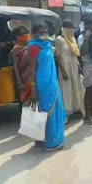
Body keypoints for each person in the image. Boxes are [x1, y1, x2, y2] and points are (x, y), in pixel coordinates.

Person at [26, 23, 65, 151]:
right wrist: (32, 88)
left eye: (45, 32)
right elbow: (31, 69)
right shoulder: (33, 47)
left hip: (52, 82)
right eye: (40, 32)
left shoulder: (48, 44)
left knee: (51, 109)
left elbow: (57, 55)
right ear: (34, 34)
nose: (43, 34)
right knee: (46, 111)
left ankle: (42, 138)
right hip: (42, 83)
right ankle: (51, 142)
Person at [55, 20, 85, 121]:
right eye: (72, 27)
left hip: (74, 67)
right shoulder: (59, 40)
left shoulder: (72, 39)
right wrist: (63, 71)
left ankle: (75, 110)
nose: (73, 30)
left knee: (76, 88)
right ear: (66, 28)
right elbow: (58, 56)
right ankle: (65, 115)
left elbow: (75, 55)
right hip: (65, 68)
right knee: (66, 90)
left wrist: (79, 67)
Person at [11, 26, 32, 103]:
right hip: (23, 77)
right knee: (25, 98)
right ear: (17, 37)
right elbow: (15, 66)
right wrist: (19, 82)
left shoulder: (33, 46)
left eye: (26, 34)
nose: (25, 37)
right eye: (22, 35)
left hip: (34, 75)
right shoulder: (16, 49)